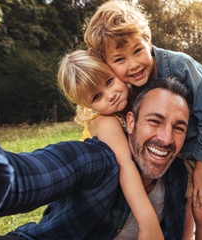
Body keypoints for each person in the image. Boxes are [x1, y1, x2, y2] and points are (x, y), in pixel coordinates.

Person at [83, 1, 202, 239]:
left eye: (137, 51)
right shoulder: (125, 87)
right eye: (119, 59)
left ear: (148, 40)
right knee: (183, 200)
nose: (133, 64)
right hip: (179, 146)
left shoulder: (181, 66)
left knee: (201, 205)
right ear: (107, 64)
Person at [0, 77, 191, 240]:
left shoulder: (178, 177)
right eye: (154, 121)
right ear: (131, 122)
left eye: (178, 128)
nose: (166, 139)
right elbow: (28, 177)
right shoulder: (97, 161)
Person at [57, 49, 163, 239]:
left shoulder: (134, 98)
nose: (110, 95)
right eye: (96, 97)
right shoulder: (105, 121)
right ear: (86, 105)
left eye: (109, 81)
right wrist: (148, 223)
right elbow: (125, 165)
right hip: (94, 201)